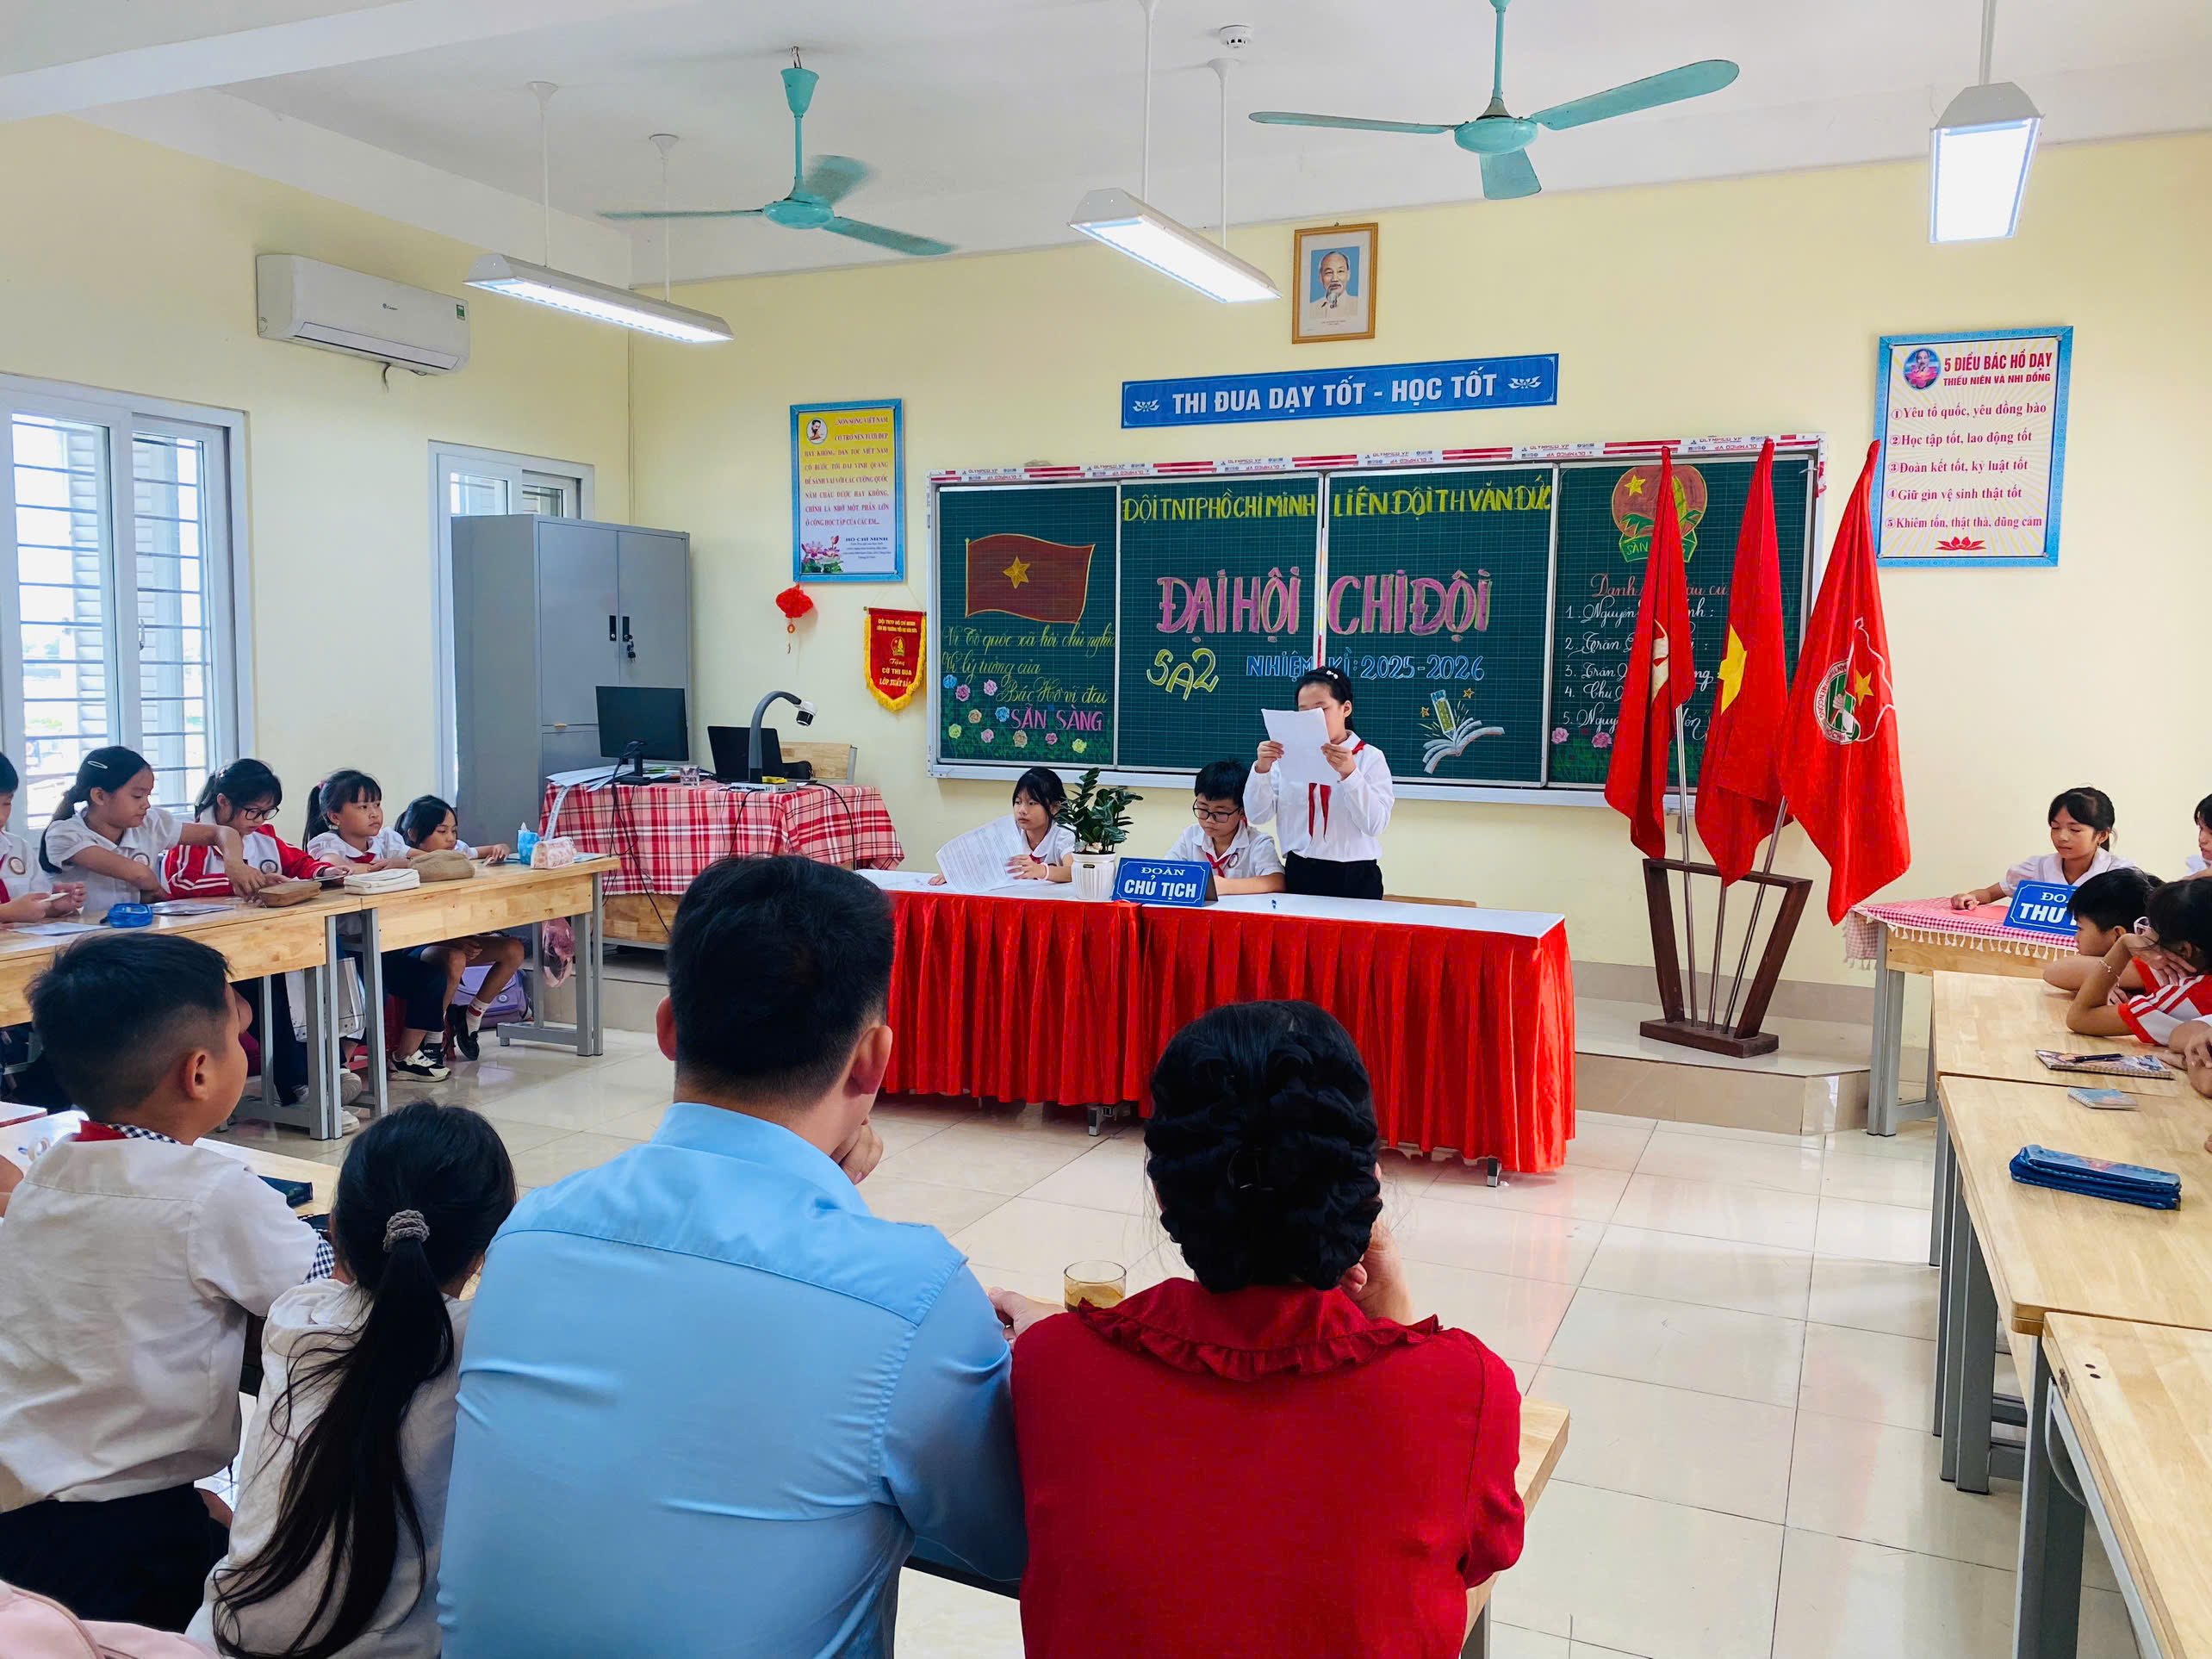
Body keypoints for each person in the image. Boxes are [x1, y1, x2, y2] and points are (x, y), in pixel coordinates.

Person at [438, 855, 1025, 1656]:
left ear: (668, 1028)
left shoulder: (530, 1235)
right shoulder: (909, 1295)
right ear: (873, 1057)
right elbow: (1006, 1539)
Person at [988, 1000, 1523, 1658]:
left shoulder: (1050, 1364)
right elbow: (1482, 1554)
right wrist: (1395, 1314)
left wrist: (1065, 1341)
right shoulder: (1465, 1390)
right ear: (1365, 1186)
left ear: (1164, 1192)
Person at [0, 933, 331, 1629]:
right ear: (199, 1073)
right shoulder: (211, 1192)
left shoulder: (47, 1175)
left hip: (25, 1511)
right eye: (237, 1037)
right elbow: (317, 1286)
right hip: (127, 1542)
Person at [192, 1102, 516, 1659]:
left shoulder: (298, 1317)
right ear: (486, 1251)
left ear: (336, 1231)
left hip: (222, 1638)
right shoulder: (484, 1349)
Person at [167, 759, 346, 1108]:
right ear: (223, 802)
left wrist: (325, 872)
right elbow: (182, 885)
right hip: (210, 953)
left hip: (261, 944)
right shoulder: (192, 836)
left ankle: (331, 1068)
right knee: (272, 994)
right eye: (253, 811)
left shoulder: (264, 836)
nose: (260, 820)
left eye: (267, 812)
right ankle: (299, 1085)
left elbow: (299, 862)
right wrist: (246, 883)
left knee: (314, 973)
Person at [306, 772, 457, 1082]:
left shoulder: (387, 841)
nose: (374, 813)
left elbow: (440, 862)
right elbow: (339, 870)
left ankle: (405, 1057)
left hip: (384, 946)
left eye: (376, 804)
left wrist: (403, 864)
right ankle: (336, 1069)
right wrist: (394, 869)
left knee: (431, 979)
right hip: (346, 951)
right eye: (363, 807)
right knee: (372, 995)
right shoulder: (326, 843)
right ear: (335, 816)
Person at [39, 746, 274, 914]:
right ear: (99, 796)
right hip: (79, 941)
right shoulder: (64, 834)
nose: (146, 805)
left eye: (148, 795)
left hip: (134, 933)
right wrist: (155, 889)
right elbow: (137, 874)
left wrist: (234, 864)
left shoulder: (151, 822)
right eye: (137, 796)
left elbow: (223, 833)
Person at [1247, 667, 1395, 899]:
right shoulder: (1284, 757)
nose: (1311, 719)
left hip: (1355, 876)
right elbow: (1257, 815)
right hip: (1301, 871)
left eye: (1321, 709)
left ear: (1345, 708)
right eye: (1303, 711)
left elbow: (1374, 825)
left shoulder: (1369, 757)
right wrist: (1262, 769)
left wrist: (1350, 775)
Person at [395, 796, 522, 1062]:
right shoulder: (404, 861)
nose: (451, 838)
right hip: (414, 948)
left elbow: (489, 849)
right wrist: (452, 942)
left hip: (450, 941)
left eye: (454, 831)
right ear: (414, 835)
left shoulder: (456, 854)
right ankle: (433, 1039)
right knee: (455, 959)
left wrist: (499, 849)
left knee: (513, 950)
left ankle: (471, 1017)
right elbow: (410, 929)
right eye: (441, 831)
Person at [2063, 875, 2212, 1043]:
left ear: (2183, 950)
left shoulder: (2193, 995)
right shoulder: (2189, 967)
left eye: (2152, 927)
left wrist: (2122, 947)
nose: (2144, 933)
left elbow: (2080, 1018)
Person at [1951, 786, 2132, 909]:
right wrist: (1970, 898)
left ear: (2102, 835)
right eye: (2055, 828)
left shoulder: (2119, 874)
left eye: (2075, 830)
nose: (2062, 837)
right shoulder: (2037, 868)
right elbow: (1990, 894)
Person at [929, 765, 1075, 885]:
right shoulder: (1010, 830)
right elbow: (981, 859)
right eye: (1018, 802)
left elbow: (1073, 872)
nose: (1022, 810)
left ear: (1054, 807)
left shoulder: (1064, 833)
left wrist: (1041, 871)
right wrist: (955, 874)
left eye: (1032, 803)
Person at [1167, 760, 1284, 894]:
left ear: (1242, 812)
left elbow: (1276, 881)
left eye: (1220, 813)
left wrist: (1226, 886)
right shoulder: (1190, 836)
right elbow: (1165, 872)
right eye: (1203, 809)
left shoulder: (1258, 843)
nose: (1209, 820)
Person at [2041, 867, 2164, 994]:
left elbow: (2057, 971)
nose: (2076, 938)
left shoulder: (2157, 966)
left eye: (2080, 928)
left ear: (2118, 936)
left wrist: (2100, 981)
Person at [0, 753, 84, 924]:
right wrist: (5, 913)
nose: (1, 816)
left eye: (6, 803)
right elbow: (13, 912)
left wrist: (53, 905)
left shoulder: (19, 848)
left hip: (22, 942)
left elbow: (32, 908)